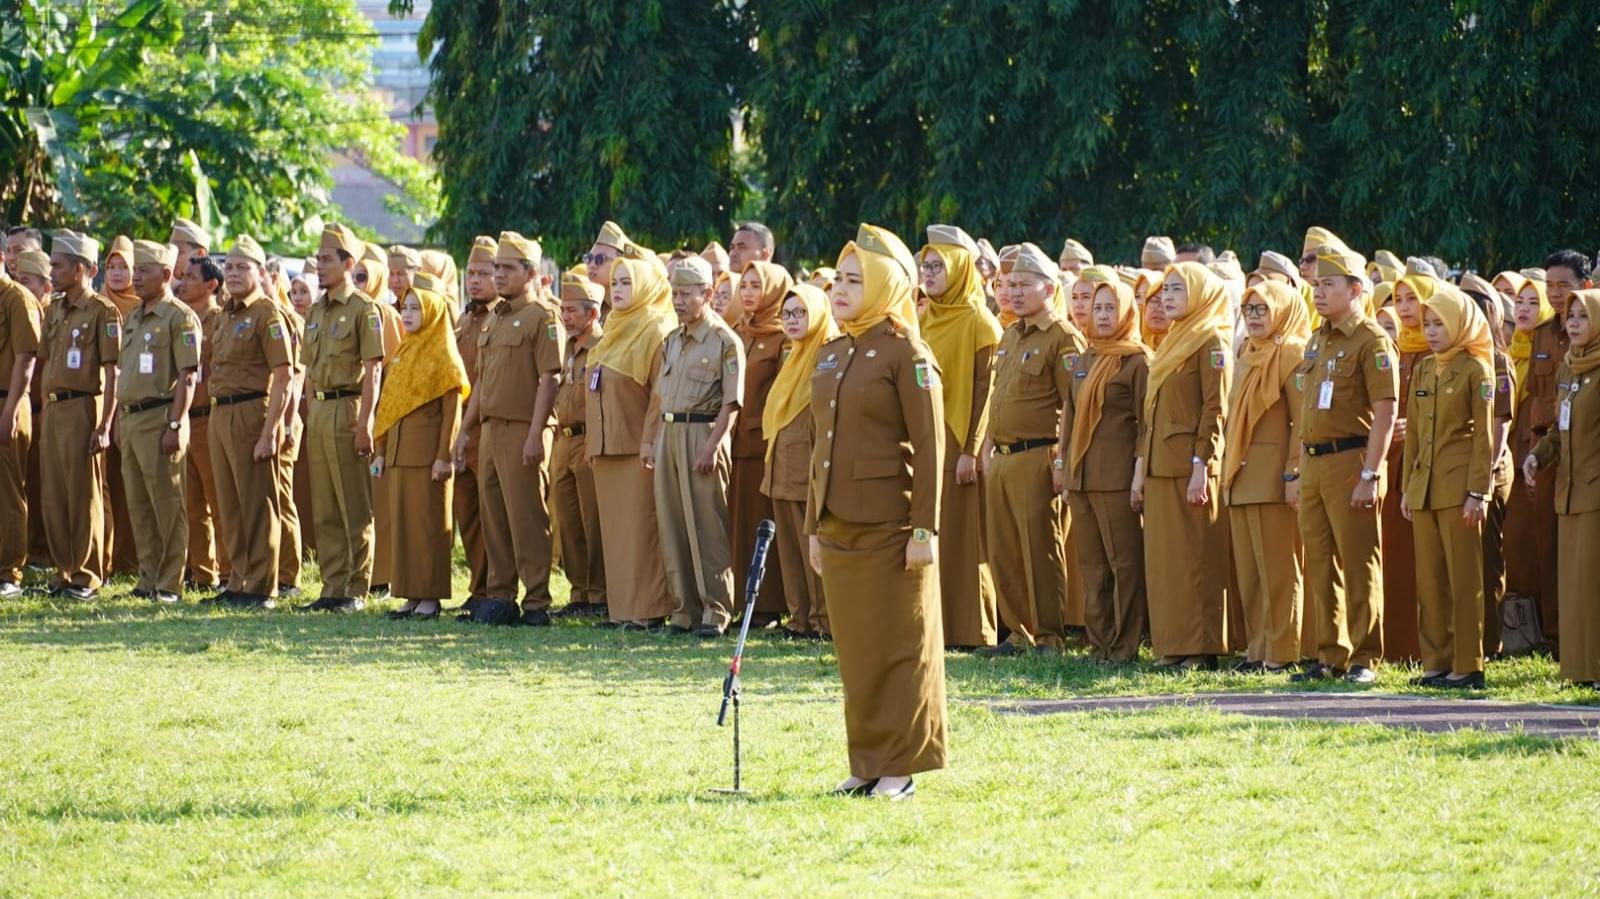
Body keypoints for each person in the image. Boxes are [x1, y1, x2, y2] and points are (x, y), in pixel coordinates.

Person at [805, 223, 944, 801]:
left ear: (886, 286)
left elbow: (932, 446)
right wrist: (815, 525)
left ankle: (901, 767)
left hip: (892, 526)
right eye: (838, 278)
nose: (839, 288)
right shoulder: (834, 352)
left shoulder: (908, 353)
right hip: (838, 525)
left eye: (855, 280)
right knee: (857, 652)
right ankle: (866, 763)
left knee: (899, 647)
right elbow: (821, 444)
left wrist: (924, 529)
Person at [1292, 246, 1398, 684]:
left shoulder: (1372, 340)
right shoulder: (1318, 338)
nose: (1318, 292)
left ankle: (1365, 657)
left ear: (1356, 290)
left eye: (1328, 285)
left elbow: (1387, 412)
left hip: (1352, 461)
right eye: (1316, 285)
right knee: (1319, 562)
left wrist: (1370, 475)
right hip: (1315, 462)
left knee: (1358, 562)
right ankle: (1330, 654)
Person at [452, 232, 563, 625]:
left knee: (527, 517)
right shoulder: (495, 319)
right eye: (495, 267)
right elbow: (481, 381)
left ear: (531, 272)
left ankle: (536, 601)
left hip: (522, 429)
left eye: (506, 268)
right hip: (490, 430)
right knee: (494, 516)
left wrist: (536, 435)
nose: (498, 275)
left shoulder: (544, 317)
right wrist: (465, 430)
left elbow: (550, 379)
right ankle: (500, 595)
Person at [978, 243, 1081, 656]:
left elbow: (1073, 405)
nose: (1014, 292)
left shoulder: (1063, 337)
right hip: (1002, 458)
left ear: (1049, 287)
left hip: (1039, 456)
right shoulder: (1009, 334)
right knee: (1004, 551)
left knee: (1041, 549)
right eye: (1008, 284)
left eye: (1024, 284)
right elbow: (995, 400)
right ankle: (1017, 633)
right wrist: (987, 448)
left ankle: (1048, 637)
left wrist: (1063, 461)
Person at [1138, 261, 1233, 671]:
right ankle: (1173, 645)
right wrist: (1141, 471)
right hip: (1161, 465)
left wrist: (1202, 464)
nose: (1168, 297)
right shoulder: (1173, 338)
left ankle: (1200, 647)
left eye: (1178, 289)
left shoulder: (1211, 341)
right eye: (1165, 290)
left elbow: (1216, 408)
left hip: (1191, 467)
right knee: (1166, 560)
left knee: (1196, 558)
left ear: (1200, 294)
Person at [1401, 284, 1494, 689]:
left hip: (1459, 490)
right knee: (1431, 579)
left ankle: (1468, 664)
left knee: (1463, 578)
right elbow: (1416, 437)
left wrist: (1478, 492)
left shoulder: (1477, 370)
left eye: (1440, 323)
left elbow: (1484, 440)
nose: (1433, 330)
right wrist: (1407, 487)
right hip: (1424, 488)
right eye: (1429, 323)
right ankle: (1435, 663)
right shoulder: (1423, 368)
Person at [917, 225, 1003, 649]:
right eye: (925, 266)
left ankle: (974, 630)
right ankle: (940, 627)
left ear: (959, 270)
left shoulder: (980, 321)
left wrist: (971, 450)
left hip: (961, 442)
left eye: (937, 266)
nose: (928, 274)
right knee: (935, 535)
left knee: (967, 540)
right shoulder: (925, 317)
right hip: (928, 440)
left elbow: (986, 394)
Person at [1061, 269, 1149, 662]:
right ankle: (1100, 644)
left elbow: (1146, 424)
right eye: (1097, 307)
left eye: (1111, 307)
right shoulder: (1086, 356)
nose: (1101, 314)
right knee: (1093, 565)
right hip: (1081, 476)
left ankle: (1125, 646)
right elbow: (1070, 412)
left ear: (1127, 311)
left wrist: (1138, 474)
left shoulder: (1136, 361)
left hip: (1116, 477)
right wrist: (1063, 467)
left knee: (1124, 564)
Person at [653, 257, 744, 637]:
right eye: (674, 293)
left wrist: (713, 445)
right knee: (673, 524)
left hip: (702, 434)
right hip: (669, 434)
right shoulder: (671, 340)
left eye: (686, 294)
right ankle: (684, 610)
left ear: (707, 294)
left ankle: (716, 611)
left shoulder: (724, 340)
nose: (678, 301)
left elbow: (731, 402)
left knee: (707, 526)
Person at [1506, 250, 1589, 653]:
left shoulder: (1590, 329)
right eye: (1551, 286)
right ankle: (1554, 637)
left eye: (1565, 286)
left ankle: (1578, 639)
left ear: (1585, 287)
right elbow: (1538, 396)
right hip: (1545, 448)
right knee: (1545, 544)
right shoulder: (1539, 333)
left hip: (1583, 450)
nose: (1557, 295)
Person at [299, 224, 385, 612]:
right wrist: (306, 411)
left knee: (353, 502)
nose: (319, 266)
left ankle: (355, 588)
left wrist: (366, 422)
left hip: (348, 406)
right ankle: (331, 586)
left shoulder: (365, 310)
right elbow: (308, 370)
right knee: (325, 504)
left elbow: (374, 370)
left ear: (349, 264)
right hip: (318, 409)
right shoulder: (315, 311)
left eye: (327, 260)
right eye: (318, 259)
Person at [586, 255, 675, 629]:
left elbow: (660, 394)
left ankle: (649, 610)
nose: (618, 290)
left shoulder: (656, 328)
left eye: (626, 283)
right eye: (615, 283)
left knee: (642, 530)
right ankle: (622, 609)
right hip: (606, 445)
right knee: (617, 533)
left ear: (647, 285)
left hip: (637, 446)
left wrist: (649, 440)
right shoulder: (612, 326)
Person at [372, 274, 468, 620]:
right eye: (405, 307)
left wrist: (444, 456)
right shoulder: (403, 351)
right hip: (399, 453)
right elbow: (388, 404)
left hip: (428, 456)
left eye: (416, 308)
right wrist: (381, 451)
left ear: (433, 313)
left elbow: (451, 413)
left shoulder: (443, 355)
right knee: (404, 526)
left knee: (428, 525)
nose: (407, 313)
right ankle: (410, 593)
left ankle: (430, 596)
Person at [206, 236, 294, 608]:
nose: (234, 273)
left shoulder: (267, 313)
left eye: (243, 267)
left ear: (260, 272)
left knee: (258, 503)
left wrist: (270, 430)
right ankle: (238, 580)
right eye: (229, 267)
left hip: (250, 412)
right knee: (229, 503)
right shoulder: (226, 314)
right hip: (219, 413)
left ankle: (261, 586)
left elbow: (285, 376)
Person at [114, 240, 202, 603]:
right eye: (135, 270)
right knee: (139, 503)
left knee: (167, 504)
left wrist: (176, 424)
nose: (136, 278)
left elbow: (188, 375)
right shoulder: (134, 316)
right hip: (131, 418)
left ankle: (169, 583)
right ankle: (147, 579)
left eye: (143, 271)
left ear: (166, 274)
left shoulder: (179, 316)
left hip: (161, 417)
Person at [1524, 289, 1600, 689]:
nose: (1572, 323)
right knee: (1573, 586)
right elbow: (1559, 428)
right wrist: (1537, 455)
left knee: (1594, 584)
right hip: (1569, 494)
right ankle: (1579, 670)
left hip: (1595, 494)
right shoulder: (1569, 368)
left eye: (1582, 316)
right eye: (1570, 316)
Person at [38, 231, 119, 600]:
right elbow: (44, 362)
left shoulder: (102, 311)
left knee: (84, 494)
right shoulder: (54, 309)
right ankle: (64, 570)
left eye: (58, 265)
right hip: (54, 408)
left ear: (83, 269)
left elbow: (112, 372)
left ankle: (87, 575)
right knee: (54, 494)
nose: (52, 271)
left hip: (83, 406)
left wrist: (104, 424)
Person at [761, 282, 837, 639]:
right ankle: (800, 617)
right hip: (782, 465)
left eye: (800, 312)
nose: (792, 320)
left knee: (814, 548)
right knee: (790, 548)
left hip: (809, 467)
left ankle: (823, 620)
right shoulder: (795, 354)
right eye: (786, 313)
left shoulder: (829, 353)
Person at [732, 260, 794, 623]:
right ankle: (744, 601)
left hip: (763, 445)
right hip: (735, 444)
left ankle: (769, 604)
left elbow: (781, 393)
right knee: (739, 525)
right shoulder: (738, 331)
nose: (749, 293)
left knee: (761, 522)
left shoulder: (782, 337)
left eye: (757, 286)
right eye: (745, 286)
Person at [550, 270, 607, 617]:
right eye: (563, 309)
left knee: (593, 519)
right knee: (567, 519)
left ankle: (600, 595)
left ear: (593, 313)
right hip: (563, 439)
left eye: (572, 310)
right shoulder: (567, 348)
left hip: (589, 439)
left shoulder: (601, 346)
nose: (565, 316)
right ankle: (578, 594)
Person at [449, 236, 498, 611]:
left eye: (484, 272)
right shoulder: (464, 318)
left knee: (493, 515)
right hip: (461, 428)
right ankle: (478, 588)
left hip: (488, 427)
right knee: (468, 514)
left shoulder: (502, 318)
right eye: (472, 273)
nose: (476, 280)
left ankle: (494, 589)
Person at [174, 254, 228, 592]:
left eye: (191, 277)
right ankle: (202, 574)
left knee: (219, 501)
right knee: (191, 503)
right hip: (185, 420)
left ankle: (228, 572)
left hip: (210, 418)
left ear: (211, 285)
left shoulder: (220, 321)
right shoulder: (181, 320)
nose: (183, 282)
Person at [0, 237, 41, 597]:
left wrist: (10, 410)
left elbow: (26, 358)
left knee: (9, 492)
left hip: (7, 403)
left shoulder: (17, 298)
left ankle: (10, 573)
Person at [12, 247, 51, 571]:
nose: (21, 284)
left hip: (39, 409)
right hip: (31, 408)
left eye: (29, 280)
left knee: (39, 489)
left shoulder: (43, 310)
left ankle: (38, 554)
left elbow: (27, 361)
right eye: (19, 278)